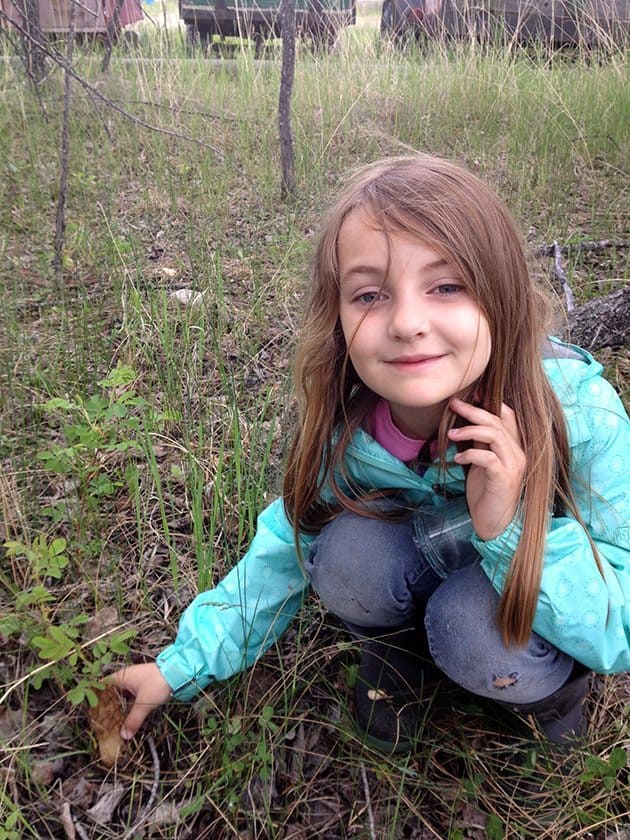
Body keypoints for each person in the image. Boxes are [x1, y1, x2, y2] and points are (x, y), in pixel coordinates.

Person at [112, 155, 629, 753]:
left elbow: (620, 623)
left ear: (502, 296)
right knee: (345, 553)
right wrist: (178, 668)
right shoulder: (348, 431)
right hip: (426, 563)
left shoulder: (579, 417)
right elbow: (284, 553)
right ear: (337, 318)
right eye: (369, 294)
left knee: (469, 627)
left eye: (447, 286)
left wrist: (509, 531)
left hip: (510, 612)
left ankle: (547, 696)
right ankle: (396, 656)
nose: (407, 323)